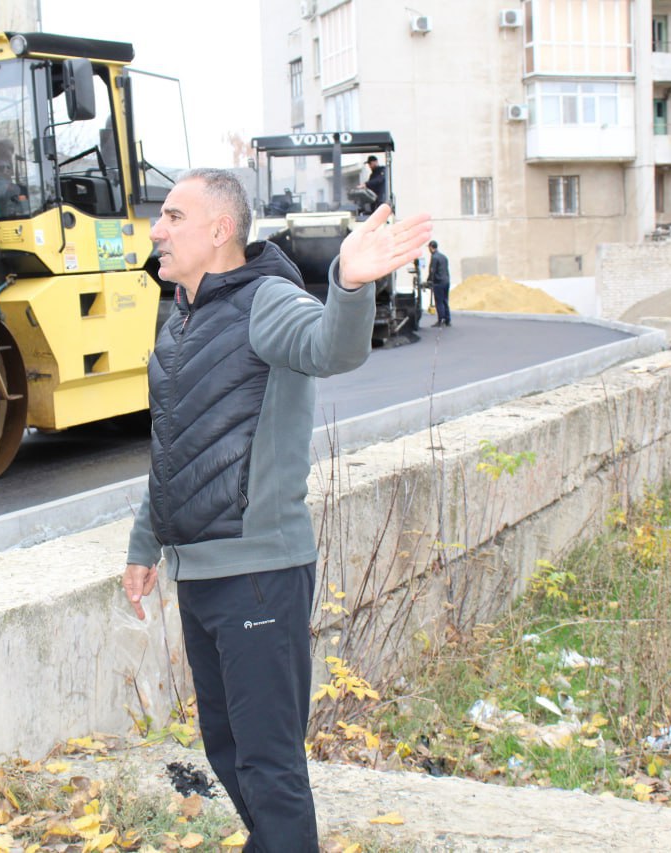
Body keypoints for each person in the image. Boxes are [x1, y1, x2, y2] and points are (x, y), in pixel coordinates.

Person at [122, 168, 431, 850]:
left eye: (172, 216)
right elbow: (173, 442)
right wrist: (145, 543)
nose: (157, 230)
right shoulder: (179, 318)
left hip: (258, 572)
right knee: (227, 747)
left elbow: (333, 346)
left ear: (219, 229)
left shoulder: (267, 300)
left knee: (270, 764)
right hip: (199, 572)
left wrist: (349, 284)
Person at [428, 239, 451, 327]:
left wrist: (429, 280)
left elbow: (432, 271)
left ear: (431, 247)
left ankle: (440, 320)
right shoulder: (444, 257)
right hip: (446, 281)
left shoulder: (434, 257)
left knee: (439, 301)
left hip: (439, 282)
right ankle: (448, 320)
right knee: (445, 300)